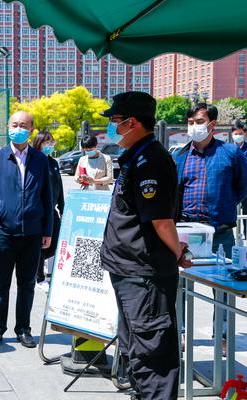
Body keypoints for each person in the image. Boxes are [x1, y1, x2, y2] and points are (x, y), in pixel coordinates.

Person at [99, 92, 190, 400]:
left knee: (152, 353)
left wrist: (179, 252)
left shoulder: (152, 160)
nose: (111, 128)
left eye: (115, 121)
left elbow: (161, 221)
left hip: (144, 274)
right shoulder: (136, 156)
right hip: (129, 269)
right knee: (135, 348)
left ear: (132, 122)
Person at [174, 103, 247, 355]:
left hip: (220, 231)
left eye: (199, 121)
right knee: (180, 285)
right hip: (186, 231)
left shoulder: (230, 153)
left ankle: (222, 336)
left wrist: (224, 204)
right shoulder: (180, 156)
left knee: (224, 287)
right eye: (190, 122)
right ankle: (180, 333)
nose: (193, 126)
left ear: (212, 124)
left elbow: (242, 186)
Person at [0, 110, 53, 349]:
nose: (18, 129)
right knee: (0, 284)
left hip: (32, 234)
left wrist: (47, 230)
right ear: (8, 127)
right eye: (14, 124)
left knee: (27, 284)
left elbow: (47, 197)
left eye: (23, 125)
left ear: (31, 130)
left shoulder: (40, 160)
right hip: (4, 233)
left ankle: (23, 328)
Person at [30, 130, 64, 283]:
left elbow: (59, 186)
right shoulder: (33, 161)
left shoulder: (53, 163)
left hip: (52, 210)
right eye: (47, 142)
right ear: (39, 143)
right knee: (39, 244)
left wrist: (62, 208)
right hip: (38, 211)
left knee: (54, 242)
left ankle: (36, 266)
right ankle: (38, 277)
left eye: (52, 142)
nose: (50, 145)